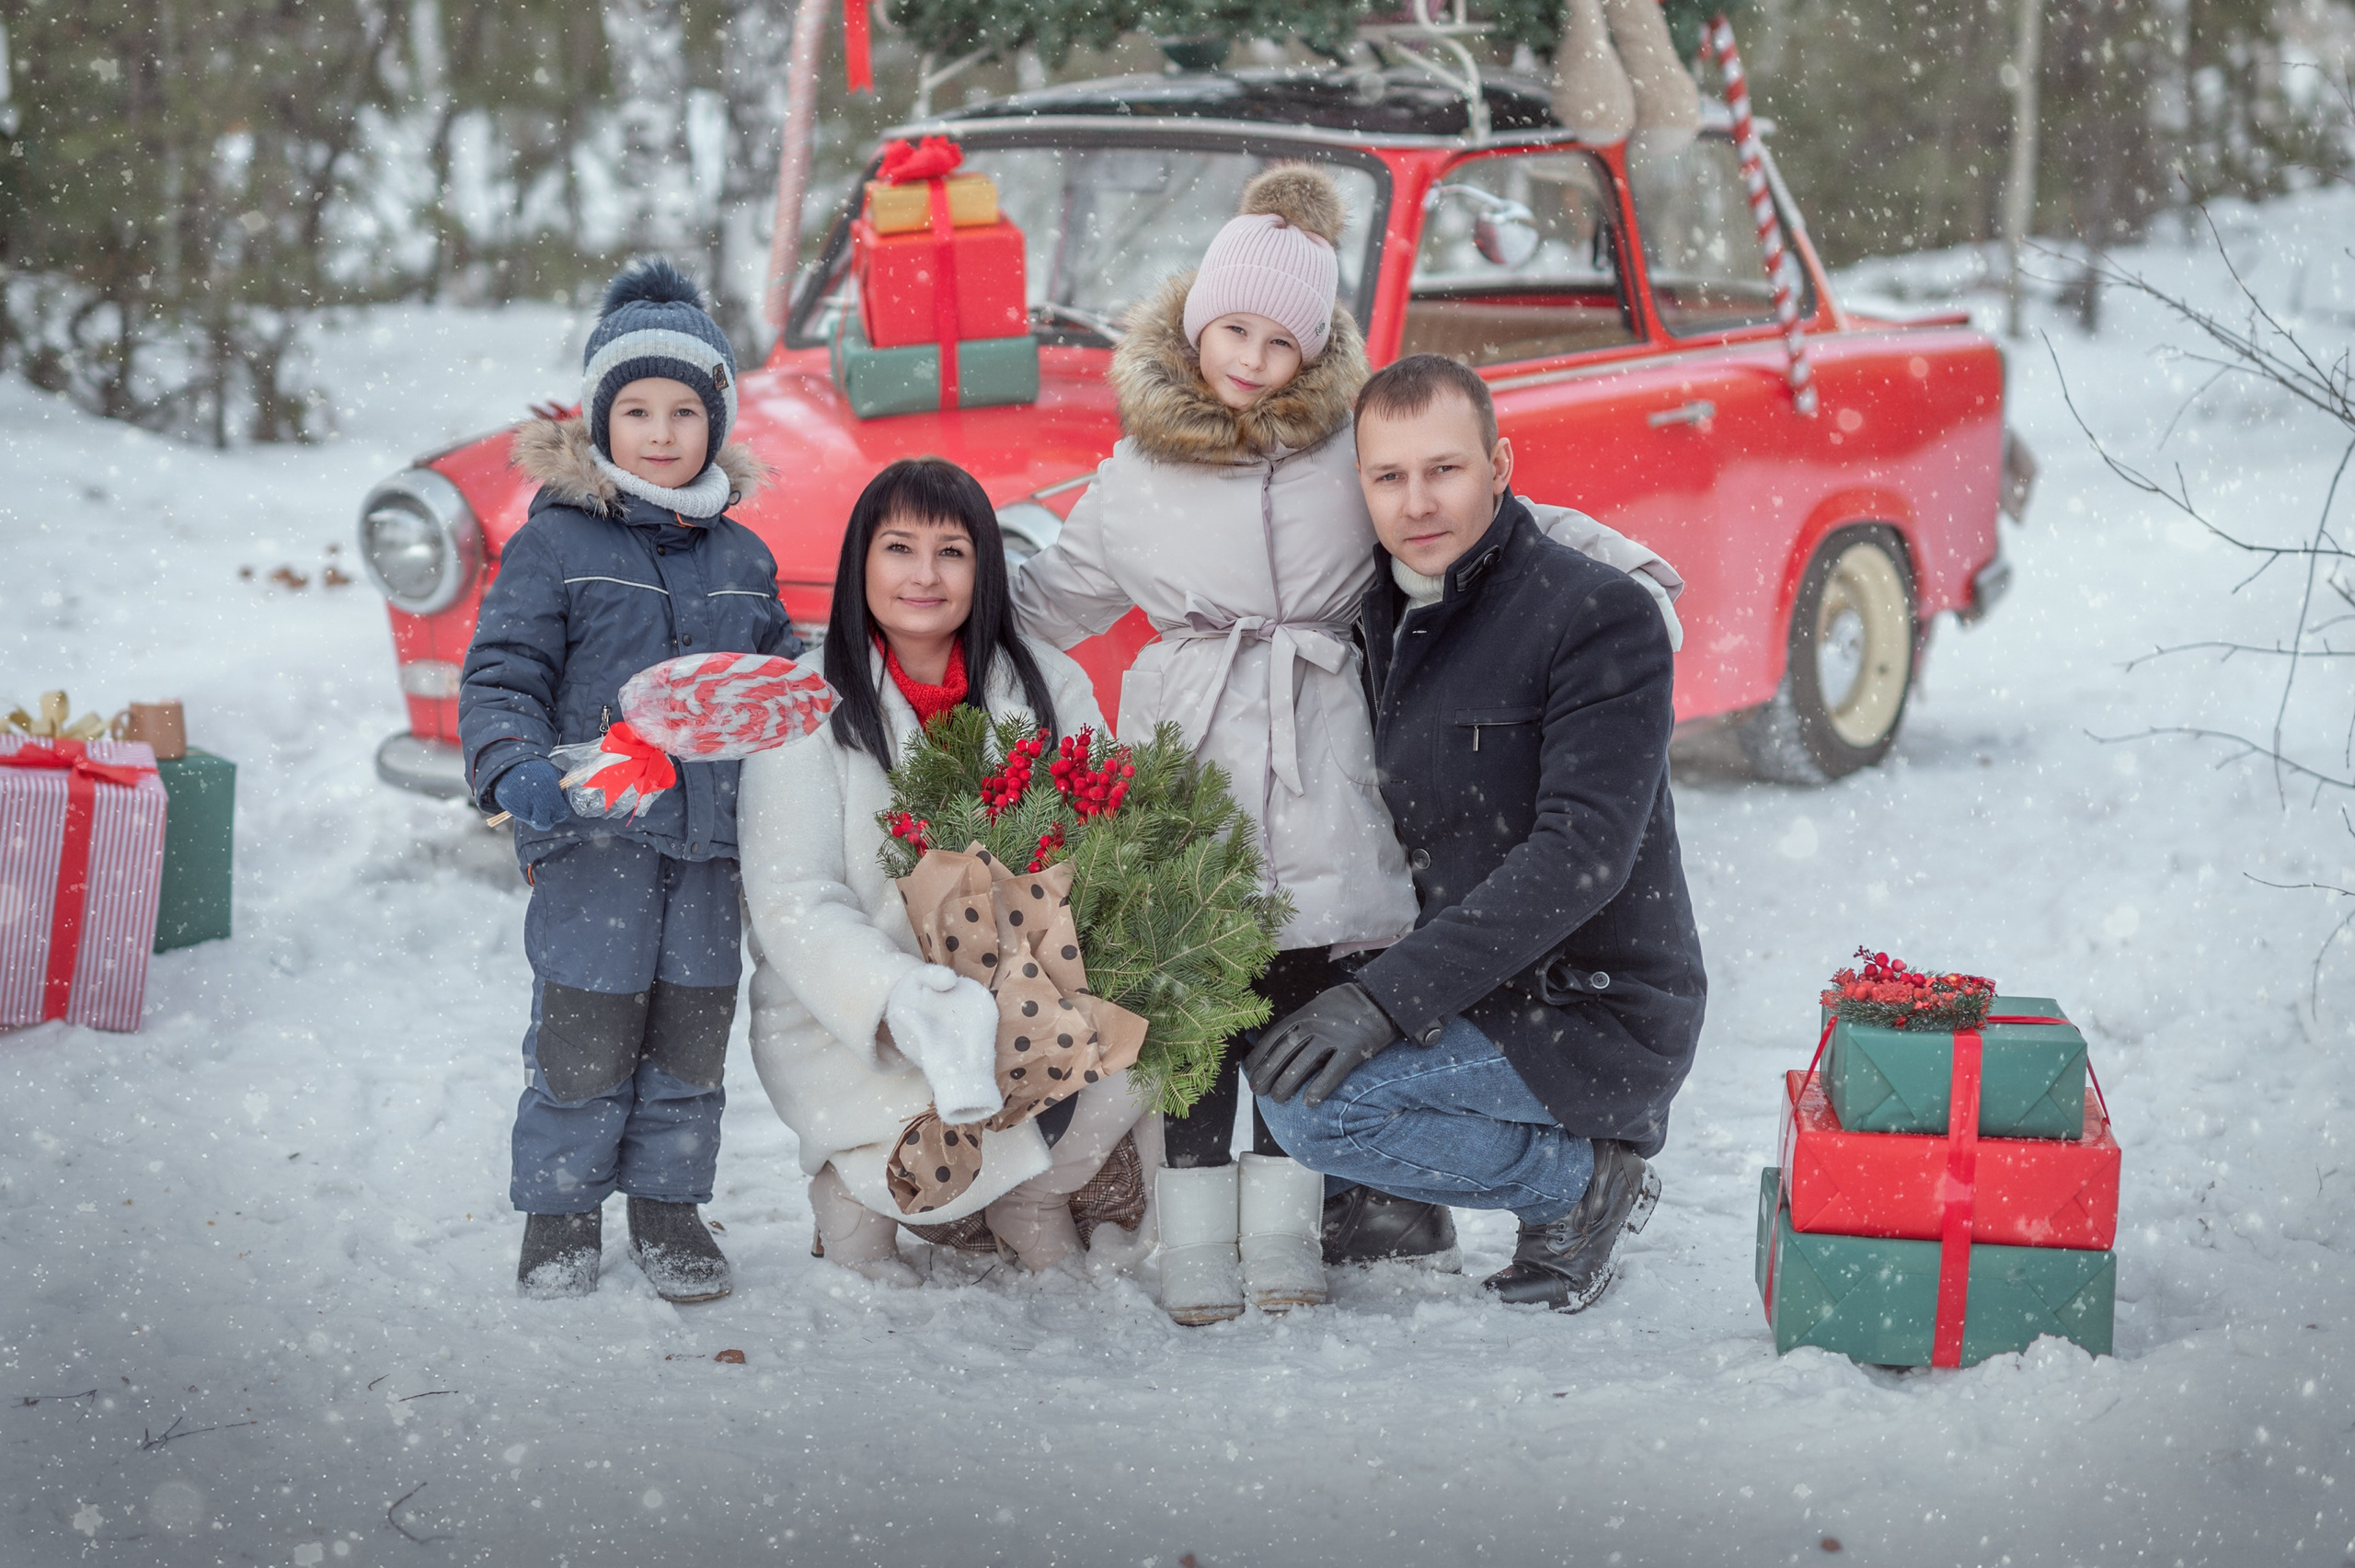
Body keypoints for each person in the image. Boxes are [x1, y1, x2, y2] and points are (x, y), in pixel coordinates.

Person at [1009, 165, 1450, 1323]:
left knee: (1310, 993)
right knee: (1197, 999)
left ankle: (1288, 1231)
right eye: (1233, 331)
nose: (1251, 360)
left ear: (1314, 352)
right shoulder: (1134, 474)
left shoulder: (1350, 450)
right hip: (1189, 749)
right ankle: (1197, 1235)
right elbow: (1050, 603)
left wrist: (1600, 575)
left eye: (1279, 341)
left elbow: (1455, 518)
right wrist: (917, 614)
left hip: (1322, 747)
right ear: (1196, 324)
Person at [1248, 354, 1707, 1314]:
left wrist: (1380, 1002)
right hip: (1473, 984)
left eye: (1443, 469)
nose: (1418, 501)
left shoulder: (1595, 615)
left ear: (1499, 465)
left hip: (1587, 1005)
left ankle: (1578, 1183)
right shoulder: (1371, 616)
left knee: (1313, 1110)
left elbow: (1580, 857)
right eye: (1388, 476)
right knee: (1279, 1066)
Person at [459, 257, 802, 1302]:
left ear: (718, 420)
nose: (661, 431)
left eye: (685, 409)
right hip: (595, 837)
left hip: (708, 851)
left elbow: (780, 685)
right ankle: (560, 1209)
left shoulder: (743, 557)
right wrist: (513, 763)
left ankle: (669, 1205)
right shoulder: (557, 542)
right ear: (598, 419)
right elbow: (505, 669)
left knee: (690, 1033)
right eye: (637, 408)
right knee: (585, 1030)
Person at [736, 458, 1153, 1286]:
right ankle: (852, 1188)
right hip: (861, 1024)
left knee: (1150, 1045)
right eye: (898, 547)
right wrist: (903, 999)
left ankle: (1031, 1194)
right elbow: (793, 902)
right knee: (917, 1152)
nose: (924, 574)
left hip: (1026, 999)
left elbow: (1108, 834)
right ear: (861, 563)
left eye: (952, 551)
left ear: (984, 568)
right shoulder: (804, 709)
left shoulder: (1044, 685)